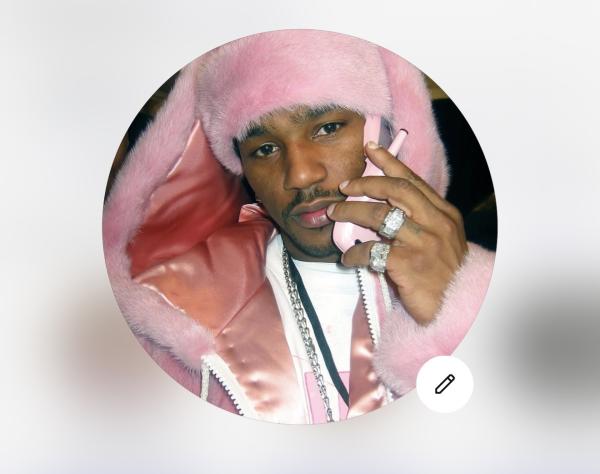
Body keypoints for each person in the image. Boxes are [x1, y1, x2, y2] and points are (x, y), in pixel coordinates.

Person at [103, 30, 494, 424]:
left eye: (327, 128)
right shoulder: (169, 318)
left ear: (389, 133)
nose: (300, 175)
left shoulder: (483, 288)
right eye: (265, 149)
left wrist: (458, 309)